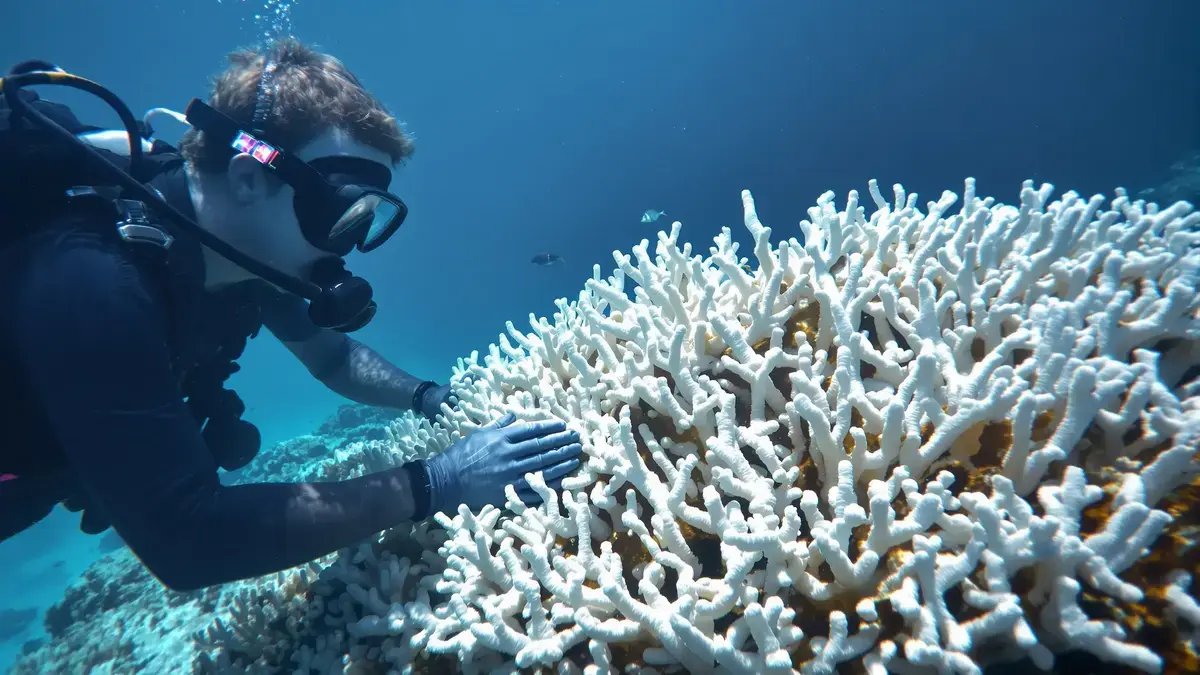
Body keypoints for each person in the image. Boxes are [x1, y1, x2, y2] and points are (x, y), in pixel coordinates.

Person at [0, 39, 582, 591]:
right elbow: (188, 538)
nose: (348, 245)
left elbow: (331, 356)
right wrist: (436, 481)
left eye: (366, 221)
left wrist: (431, 397)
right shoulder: (93, 278)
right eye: (340, 213)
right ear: (249, 178)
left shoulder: (241, 256)